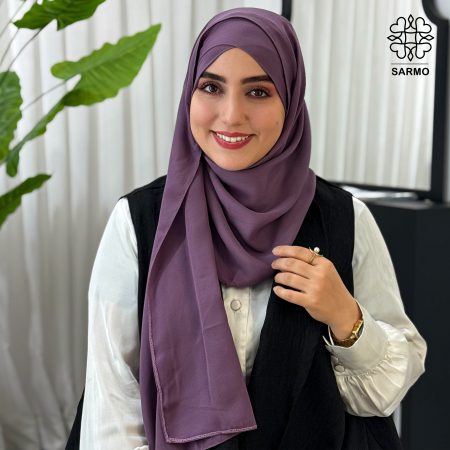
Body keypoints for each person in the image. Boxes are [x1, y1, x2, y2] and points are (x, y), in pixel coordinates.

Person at [73, 7, 426, 450]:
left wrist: (344, 316)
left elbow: (385, 393)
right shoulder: (140, 221)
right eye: (211, 87)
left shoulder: (343, 218)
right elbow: (113, 403)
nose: (231, 115)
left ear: (291, 101)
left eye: (258, 91)